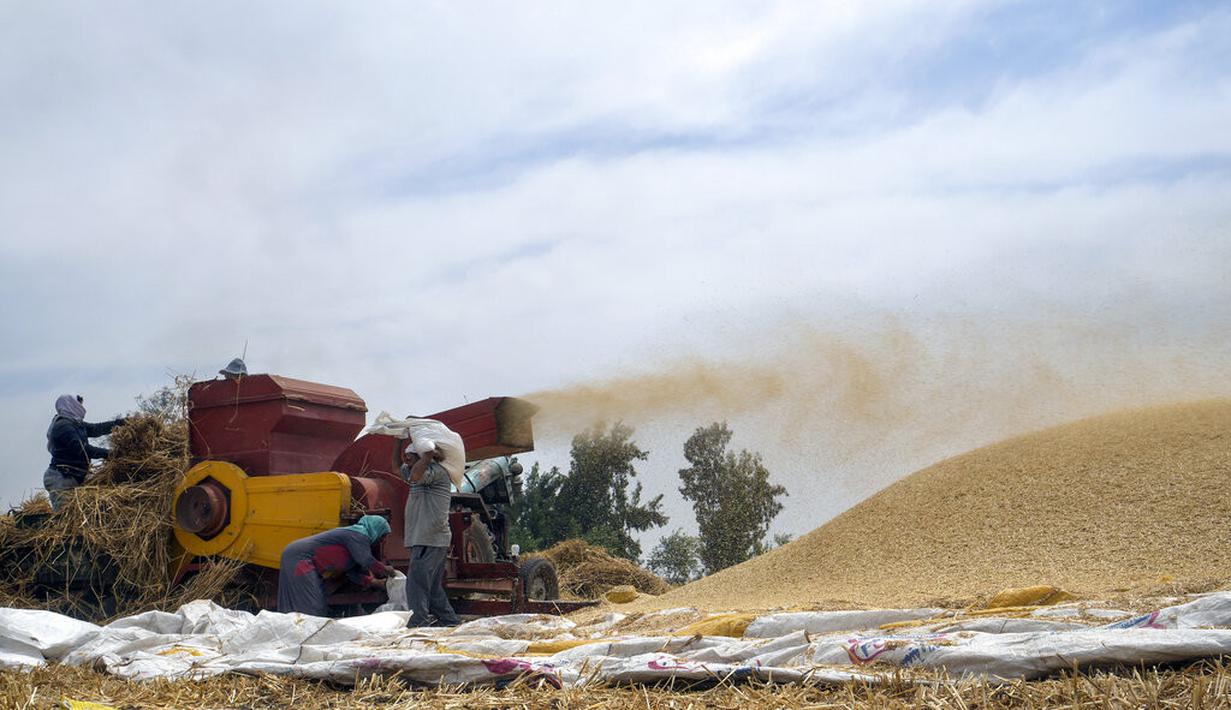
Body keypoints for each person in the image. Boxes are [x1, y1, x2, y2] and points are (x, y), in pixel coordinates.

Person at [277, 514, 393, 616]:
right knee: (312, 605)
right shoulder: (358, 535)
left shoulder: (357, 541)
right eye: (383, 536)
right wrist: (385, 570)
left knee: (307, 602)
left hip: (298, 557)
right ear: (376, 529)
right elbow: (366, 560)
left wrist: (375, 583)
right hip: (300, 558)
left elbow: (351, 573)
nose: (383, 540)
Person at [402, 440, 461, 627]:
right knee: (433, 588)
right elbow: (397, 467)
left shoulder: (436, 472)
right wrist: (397, 442)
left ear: (421, 457)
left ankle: (418, 623)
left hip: (430, 538)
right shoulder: (416, 471)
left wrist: (428, 454)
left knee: (416, 585)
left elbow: (416, 475)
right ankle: (450, 621)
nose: (406, 459)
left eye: (410, 455)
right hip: (426, 538)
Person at [43, 394, 126, 510]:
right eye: (78, 404)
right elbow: (83, 450)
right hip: (61, 479)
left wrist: (120, 423)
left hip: (74, 476)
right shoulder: (63, 426)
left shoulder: (75, 423)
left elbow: (96, 429)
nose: (81, 407)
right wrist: (112, 454)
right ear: (70, 405)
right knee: (65, 518)